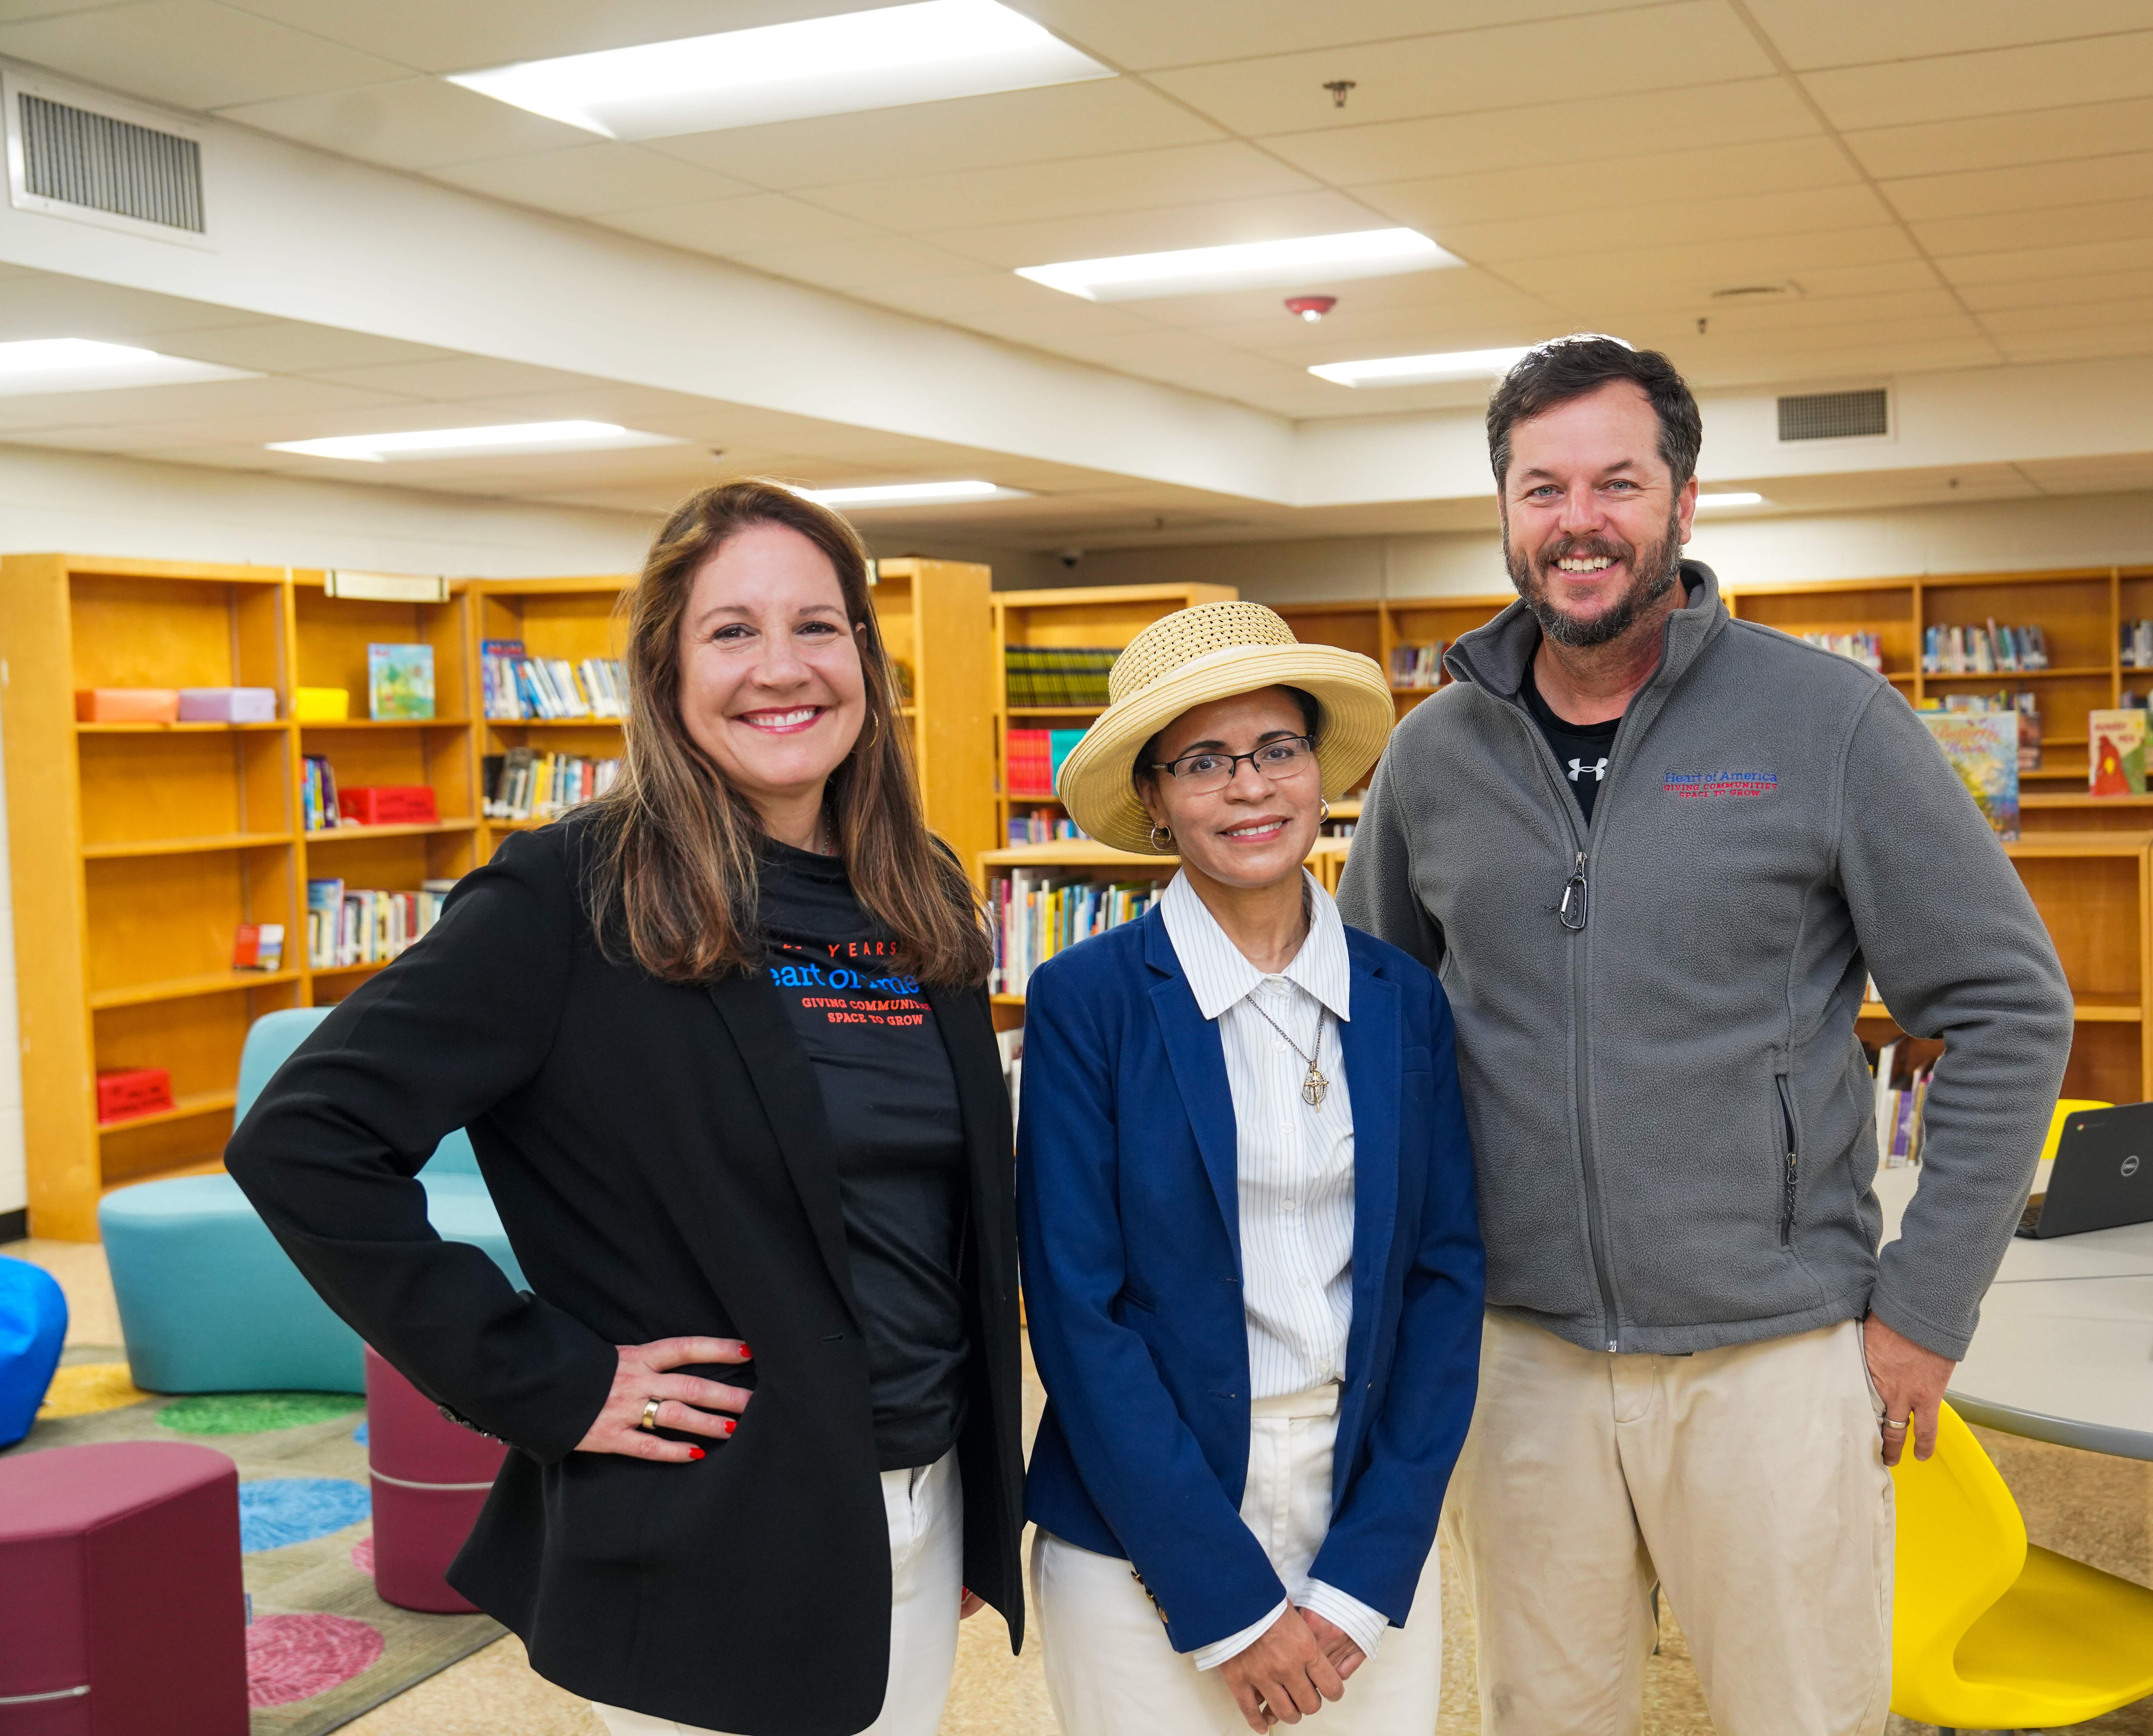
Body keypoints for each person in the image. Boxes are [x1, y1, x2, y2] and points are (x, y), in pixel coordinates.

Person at [1338, 336, 2074, 1735]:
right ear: (1503, 511)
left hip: (1774, 1353)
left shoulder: (1827, 721)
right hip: (1521, 1355)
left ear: (1682, 501)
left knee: (1801, 1716)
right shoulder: (1432, 757)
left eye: (1616, 482)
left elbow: (2006, 1006)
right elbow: (1381, 1030)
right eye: (1541, 487)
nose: (1578, 521)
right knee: (1542, 1714)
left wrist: (1924, 1308)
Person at [226, 479, 1024, 1736]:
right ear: (663, 670)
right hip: (718, 1519)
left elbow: (940, 1214)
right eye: (732, 631)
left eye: (820, 626)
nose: (783, 668)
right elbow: (303, 1140)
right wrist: (546, 1377)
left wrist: (966, 1478)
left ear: (867, 659)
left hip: (921, 1498)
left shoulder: (913, 887)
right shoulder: (571, 895)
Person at [1018, 602, 1485, 1735]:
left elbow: (1444, 1280)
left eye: (1278, 751)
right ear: (1156, 799)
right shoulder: (1088, 1003)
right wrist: (1224, 1599)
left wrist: (1370, 1571)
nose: (1250, 788)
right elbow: (1078, 1313)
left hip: (1363, 1510)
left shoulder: (1401, 1000)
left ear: (1319, 774)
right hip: (1144, 1522)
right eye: (1206, 762)